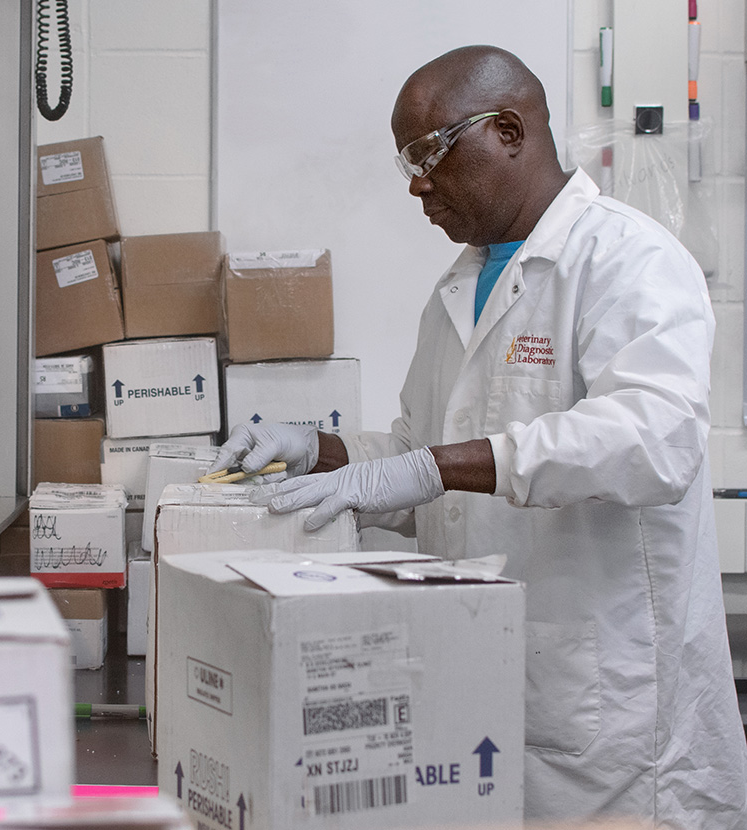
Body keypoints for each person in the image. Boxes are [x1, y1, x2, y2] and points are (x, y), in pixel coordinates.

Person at [212, 45, 747, 828]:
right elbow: (413, 454)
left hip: (616, 731)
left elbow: (653, 441)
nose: (417, 184)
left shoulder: (629, 260)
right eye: (406, 163)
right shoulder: (458, 287)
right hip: (481, 701)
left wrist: (433, 468)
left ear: (508, 130)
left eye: (430, 152)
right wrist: (315, 449)